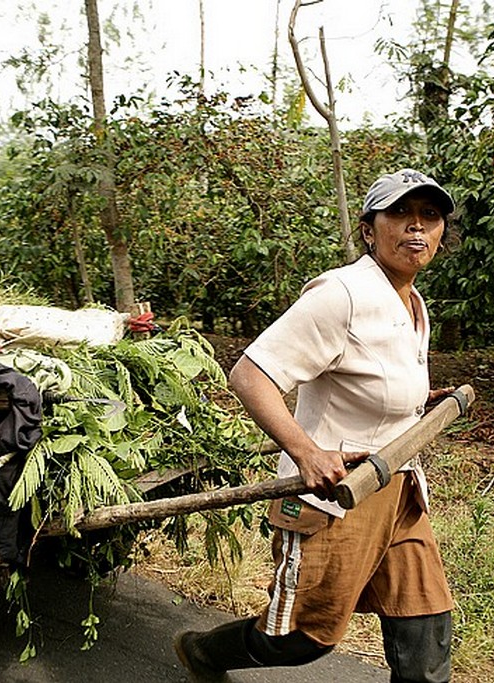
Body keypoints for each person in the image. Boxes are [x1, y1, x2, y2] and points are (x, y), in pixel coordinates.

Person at [174, 169, 458, 683]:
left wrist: (417, 402)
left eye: (430, 216)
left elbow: (374, 378)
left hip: (396, 488)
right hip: (333, 498)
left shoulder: (412, 300)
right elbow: (250, 373)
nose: (416, 227)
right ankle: (204, 652)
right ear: (370, 230)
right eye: (400, 214)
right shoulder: (342, 295)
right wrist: (306, 451)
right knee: (300, 640)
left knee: (425, 628)